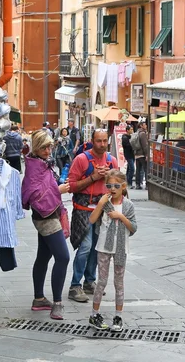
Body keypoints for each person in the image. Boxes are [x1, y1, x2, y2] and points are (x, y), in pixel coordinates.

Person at [21, 130, 71, 320]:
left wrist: (58, 185)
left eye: (50, 146)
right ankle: (57, 304)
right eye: (44, 147)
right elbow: (33, 194)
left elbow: (45, 186)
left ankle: (39, 299)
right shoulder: (34, 166)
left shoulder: (42, 164)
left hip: (50, 214)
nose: (49, 150)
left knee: (43, 256)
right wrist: (57, 190)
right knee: (63, 257)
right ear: (37, 147)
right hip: (46, 218)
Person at [67, 129, 116, 302]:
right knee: (86, 246)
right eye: (98, 141)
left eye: (104, 141)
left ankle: (89, 281)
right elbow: (71, 186)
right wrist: (93, 177)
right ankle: (75, 285)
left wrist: (110, 177)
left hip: (102, 211)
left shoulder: (112, 161)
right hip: (84, 209)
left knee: (97, 248)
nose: (102, 145)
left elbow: (119, 187)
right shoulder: (81, 160)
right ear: (92, 141)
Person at [88, 169, 137, 331]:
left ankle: (118, 316)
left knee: (119, 282)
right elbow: (92, 219)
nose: (113, 189)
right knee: (101, 281)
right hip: (104, 246)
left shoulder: (128, 205)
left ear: (123, 186)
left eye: (116, 185)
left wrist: (120, 217)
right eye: (109, 185)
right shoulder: (105, 202)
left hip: (121, 248)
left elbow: (133, 228)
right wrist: (101, 204)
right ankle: (94, 314)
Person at [134, 120, 149, 190]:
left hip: (137, 154)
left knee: (138, 169)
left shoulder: (137, 132)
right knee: (146, 169)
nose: (146, 126)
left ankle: (137, 184)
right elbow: (145, 145)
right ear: (141, 126)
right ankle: (147, 185)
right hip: (142, 154)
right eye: (145, 124)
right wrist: (147, 154)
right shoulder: (142, 134)